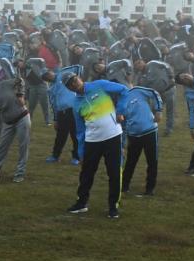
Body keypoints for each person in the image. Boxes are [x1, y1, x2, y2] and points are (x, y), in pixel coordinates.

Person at [63, 72, 128, 218]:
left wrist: (120, 111)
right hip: (92, 141)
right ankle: (81, 203)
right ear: (69, 88)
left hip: (113, 136)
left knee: (114, 172)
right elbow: (80, 131)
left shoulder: (99, 85)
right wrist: (81, 152)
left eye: (74, 80)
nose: (74, 84)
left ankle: (113, 206)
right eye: (70, 84)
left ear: (79, 78)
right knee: (86, 173)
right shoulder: (76, 104)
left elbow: (124, 90)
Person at [0, 74, 30, 182]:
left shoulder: (4, 84)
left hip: (22, 117)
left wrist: (20, 95)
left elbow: (20, 80)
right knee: (1, 147)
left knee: (23, 146)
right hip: (8, 123)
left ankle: (20, 173)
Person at [120, 83, 163, 198]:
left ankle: (150, 189)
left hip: (150, 131)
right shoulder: (118, 101)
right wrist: (122, 144)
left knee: (152, 161)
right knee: (131, 161)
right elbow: (122, 125)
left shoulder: (137, 91)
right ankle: (124, 186)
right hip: (133, 135)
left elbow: (154, 93)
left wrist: (159, 110)